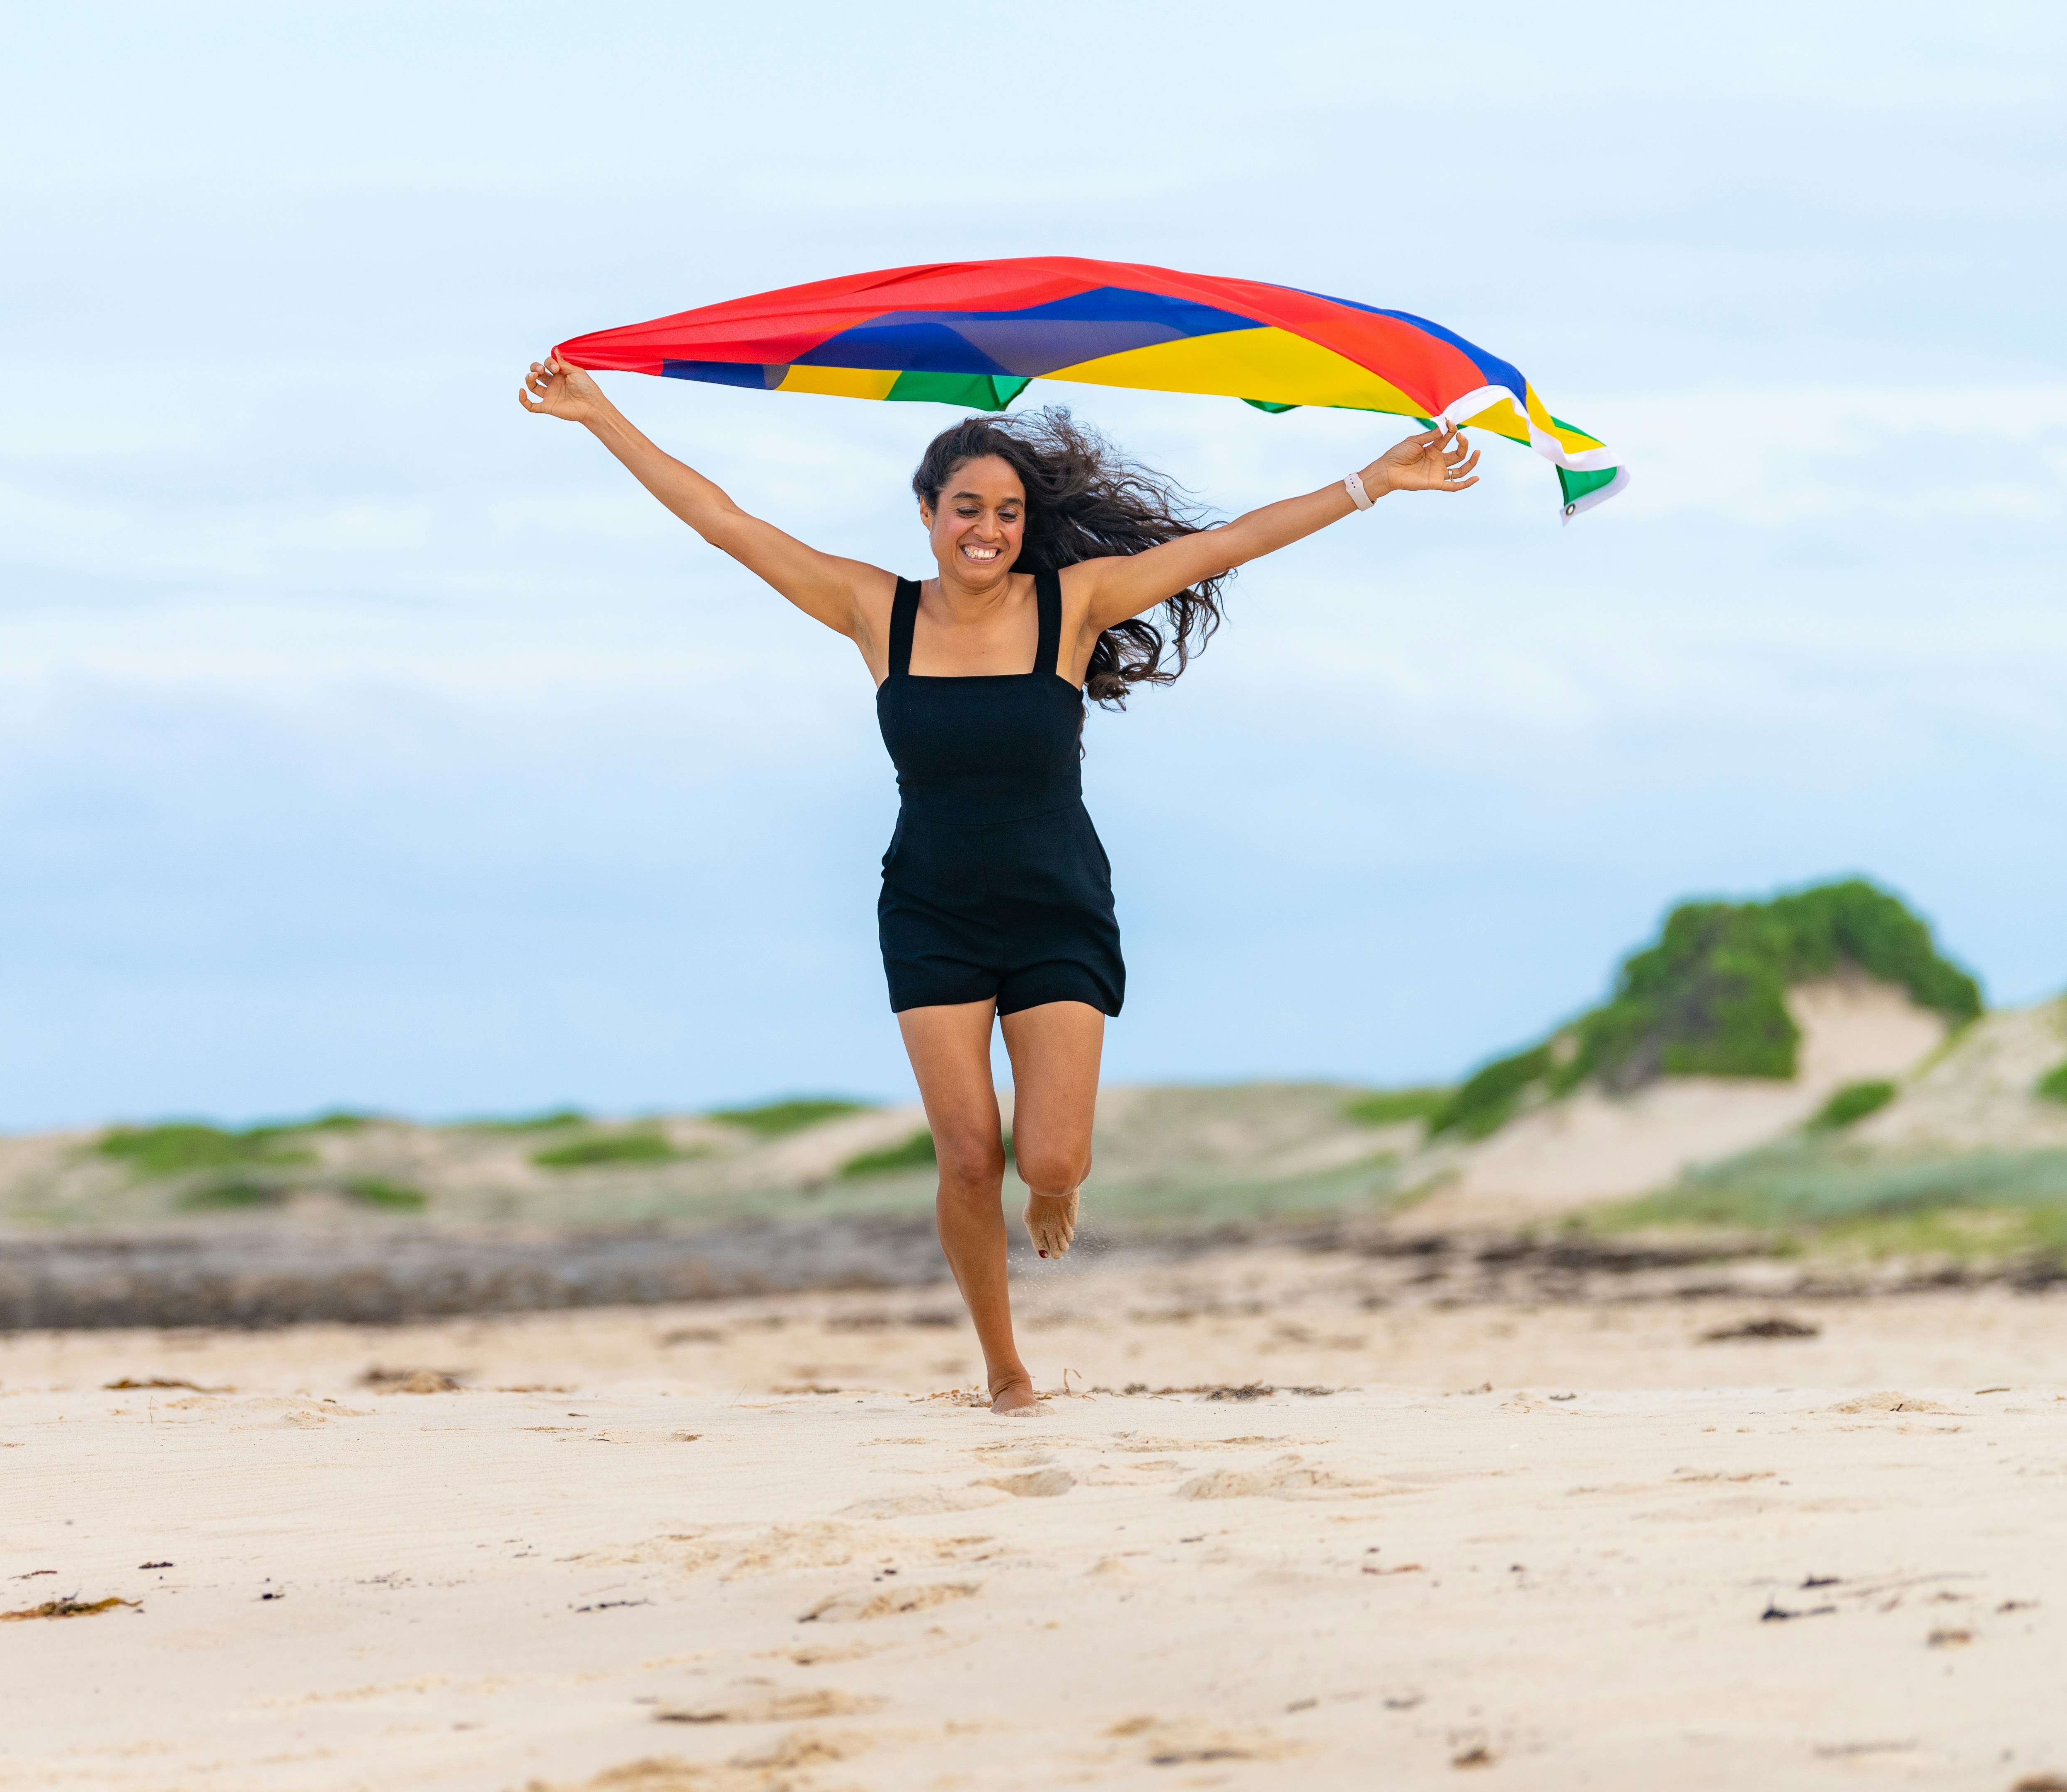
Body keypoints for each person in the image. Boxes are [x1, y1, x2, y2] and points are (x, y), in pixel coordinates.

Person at [520, 357, 1480, 1412]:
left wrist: (1370, 482)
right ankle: (1005, 1367)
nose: (988, 529)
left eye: (1009, 512)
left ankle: (1056, 1192)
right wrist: (599, 412)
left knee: (1051, 1158)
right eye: (967, 508)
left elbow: (1227, 542)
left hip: (1056, 901)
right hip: (930, 907)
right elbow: (724, 520)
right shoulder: (871, 609)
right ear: (928, 513)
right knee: (971, 1154)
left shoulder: (1073, 604)